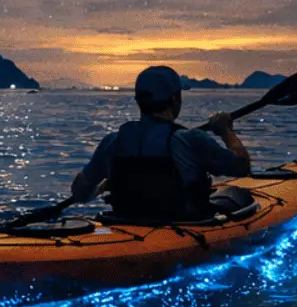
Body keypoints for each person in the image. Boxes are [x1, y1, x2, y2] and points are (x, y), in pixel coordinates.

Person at [66, 66, 253, 222]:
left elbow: (80, 192)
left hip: (125, 221)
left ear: (139, 101)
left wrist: (102, 186)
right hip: (183, 226)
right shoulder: (191, 139)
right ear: (174, 99)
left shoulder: (113, 142)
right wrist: (226, 131)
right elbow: (242, 166)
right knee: (240, 196)